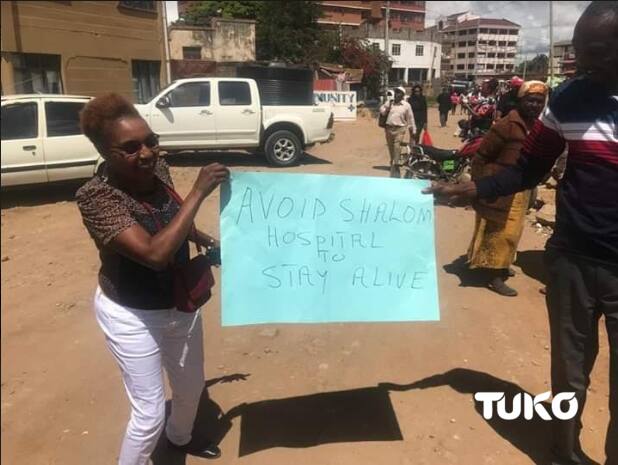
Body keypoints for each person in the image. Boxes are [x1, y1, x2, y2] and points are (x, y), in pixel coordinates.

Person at [425, 2, 617, 464]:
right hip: (571, 261)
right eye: (578, 52)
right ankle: (564, 452)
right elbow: (530, 167)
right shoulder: (569, 98)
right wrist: (473, 188)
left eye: (594, 53)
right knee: (569, 376)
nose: (583, 64)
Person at [75, 93, 230, 465]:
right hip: (132, 314)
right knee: (148, 415)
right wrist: (198, 191)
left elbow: (174, 217)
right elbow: (154, 254)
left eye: (151, 141)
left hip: (180, 303)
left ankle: (180, 439)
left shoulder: (156, 171)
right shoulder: (96, 198)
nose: (147, 153)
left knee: (191, 389)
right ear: (104, 151)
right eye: (130, 148)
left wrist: (205, 239)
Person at [467, 80, 548, 297]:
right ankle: (494, 275)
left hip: (521, 187)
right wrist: (480, 185)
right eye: (530, 100)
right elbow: (482, 156)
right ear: (520, 100)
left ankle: (500, 265)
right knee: (498, 230)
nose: (535, 105)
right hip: (499, 187)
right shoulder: (506, 124)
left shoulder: (538, 126)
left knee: (513, 230)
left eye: (539, 101)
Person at [379, 87, 415, 178]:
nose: (396, 94)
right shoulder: (390, 103)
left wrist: (413, 129)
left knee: (396, 146)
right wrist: (386, 109)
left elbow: (410, 118)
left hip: (400, 129)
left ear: (403, 95)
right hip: (389, 128)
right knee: (390, 147)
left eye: (399, 92)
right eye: (396, 92)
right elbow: (382, 111)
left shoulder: (406, 105)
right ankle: (393, 161)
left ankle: (395, 164)